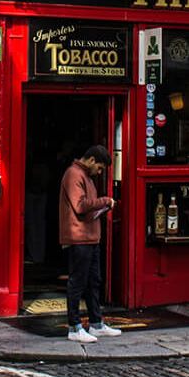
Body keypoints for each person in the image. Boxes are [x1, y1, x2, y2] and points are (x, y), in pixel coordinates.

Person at [58, 144, 120, 344]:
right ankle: (74, 327)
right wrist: (104, 201)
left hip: (90, 237)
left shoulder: (86, 177)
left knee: (94, 282)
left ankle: (96, 323)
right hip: (79, 237)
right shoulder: (74, 174)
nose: (99, 172)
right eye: (100, 167)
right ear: (92, 160)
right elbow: (80, 205)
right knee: (77, 283)